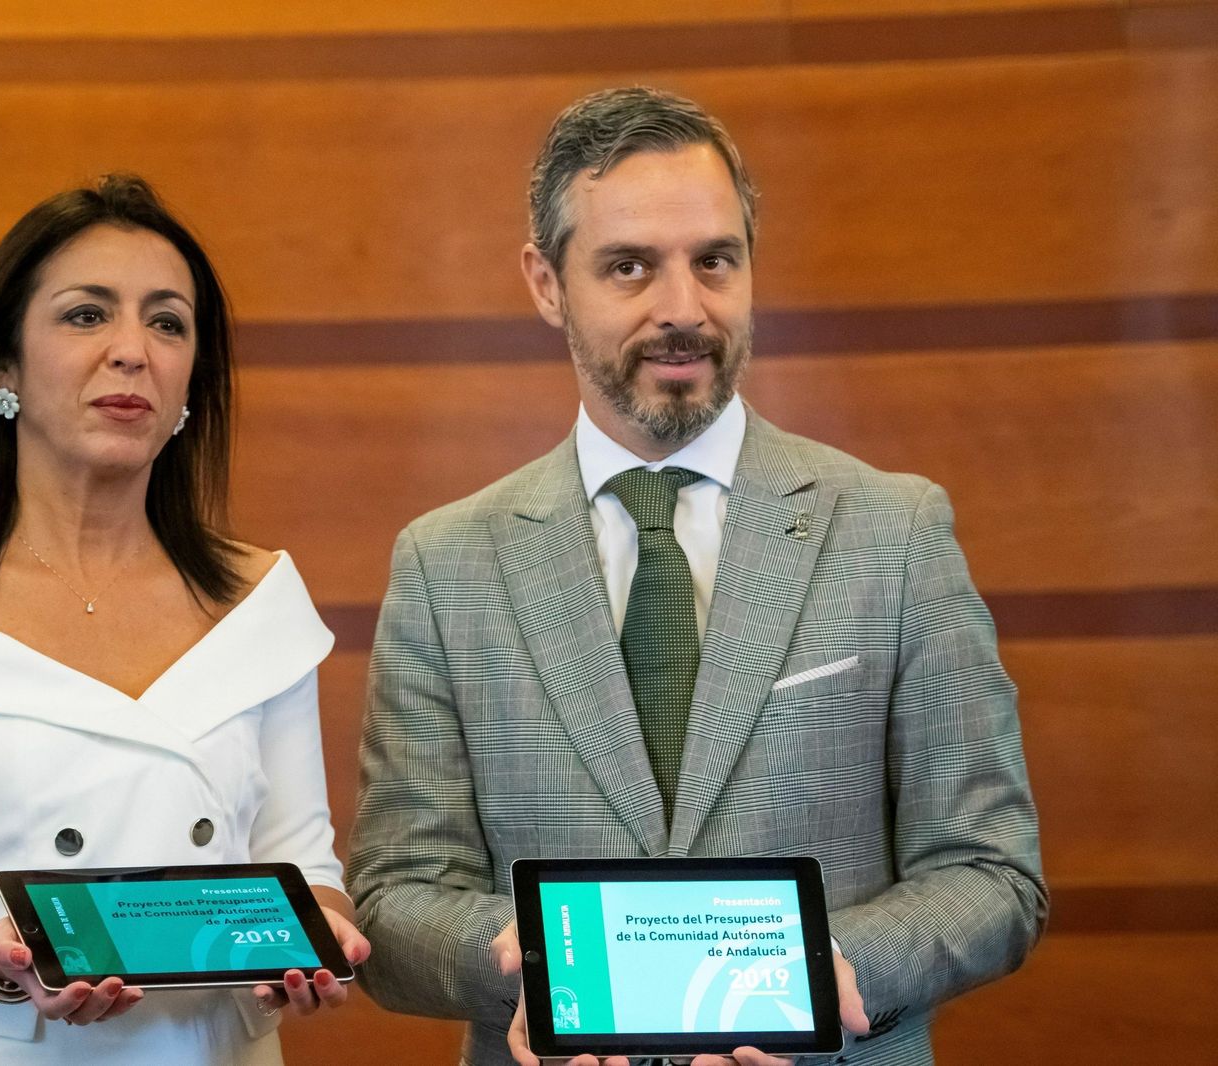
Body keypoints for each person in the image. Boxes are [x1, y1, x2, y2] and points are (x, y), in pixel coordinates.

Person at [347, 87, 1045, 1066]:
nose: (682, 309)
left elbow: (991, 872)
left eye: (713, 260)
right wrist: (529, 965)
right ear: (545, 283)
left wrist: (837, 966)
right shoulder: (445, 562)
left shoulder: (896, 532)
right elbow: (394, 901)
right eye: (628, 267)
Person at [0, 173, 369, 1065]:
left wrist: (317, 941)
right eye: (87, 315)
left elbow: (307, 871)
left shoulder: (261, 602)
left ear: (189, 383)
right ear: (1, 363)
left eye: (167, 322)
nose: (132, 350)